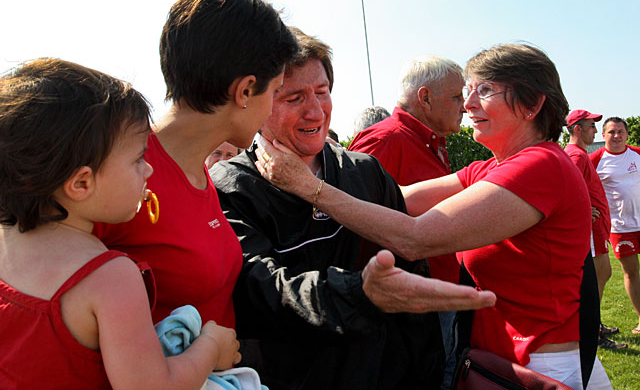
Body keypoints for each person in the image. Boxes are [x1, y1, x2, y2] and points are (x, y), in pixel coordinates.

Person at [257, 43, 612, 389]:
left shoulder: (540, 166)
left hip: (538, 365)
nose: (468, 104)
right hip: (508, 359)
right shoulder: (489, 168)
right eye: (468, 91)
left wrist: (308, 187)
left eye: (484, 91)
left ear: (532, 104)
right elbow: (396, 199)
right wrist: (317, 160)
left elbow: (414, 237)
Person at [211, 28, 495, 390]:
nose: (315, 110)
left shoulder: (365, 172)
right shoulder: (230, 186)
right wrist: (360, 295)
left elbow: (412, 281)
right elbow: (261, 292)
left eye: (322, 91)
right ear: (257, 100)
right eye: (294, 97)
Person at [0, 58, 240, 388]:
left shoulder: (6, 245)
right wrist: (212, 347)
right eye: (138, 158)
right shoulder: (110, 278)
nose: (149, 170)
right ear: (81, 183)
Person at [93, 0, 300, 326]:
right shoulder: (113, 173)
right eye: (276, 91)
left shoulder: (200, 171)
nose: (273, 107)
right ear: (246, 91)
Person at [348, 54, 466, 388]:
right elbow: (356, 219)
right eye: (457, 96)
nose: (465, 105)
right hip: (410, 304)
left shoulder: (430, 140)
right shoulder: (384, 140)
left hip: (437, 290)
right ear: (425, 97)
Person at [565, 110, 626, 350]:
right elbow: (566, 188)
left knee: (601, 275)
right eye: (591, 126)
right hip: (590, 230)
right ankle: (592, 329)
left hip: (595, 228)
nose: (594, 131)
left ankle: (594, 324)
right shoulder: (577, 156)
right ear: (578, 129)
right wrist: (583, 208)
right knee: (596, 279)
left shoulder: (578, 154)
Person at [590, 117, 640, 336]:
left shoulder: (637, 154)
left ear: (627, 134)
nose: (616, 136)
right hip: (620, 228)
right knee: (631, 273)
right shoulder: (595, 159)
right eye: (611, 132)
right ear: (603, 136)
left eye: (620, 132)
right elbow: (575, 182)